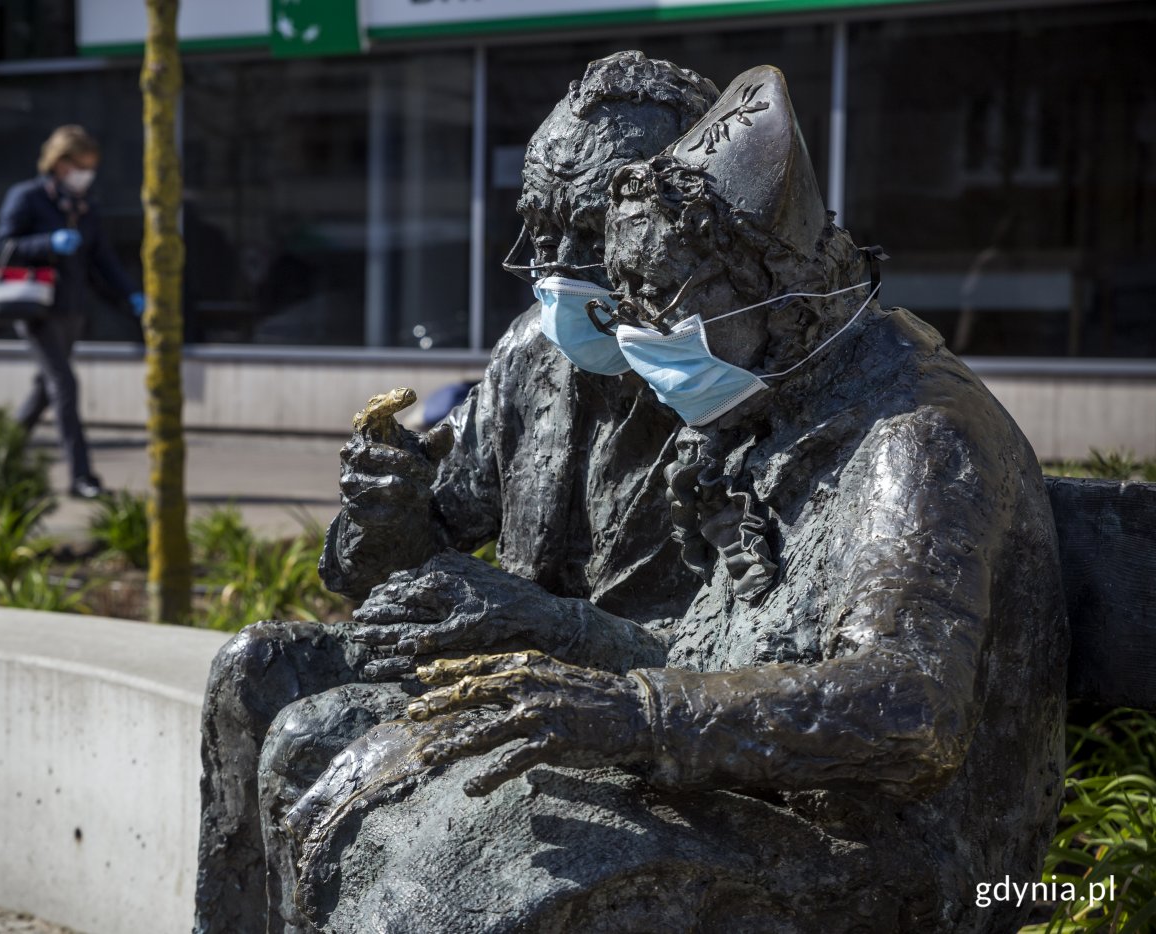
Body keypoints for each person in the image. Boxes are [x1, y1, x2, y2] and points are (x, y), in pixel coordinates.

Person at [278, 66, 1068, 934]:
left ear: (764, 282)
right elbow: (716, 643)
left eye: (658, 296)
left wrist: (629, 709)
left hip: (898, 852)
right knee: (385, 785)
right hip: (759, 784)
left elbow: (912, 707)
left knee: (472, 863)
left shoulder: (911, 434)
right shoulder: (761, 392)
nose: (635, 328)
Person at [193, 51, 721, 934]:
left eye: (582, 233)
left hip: (631, 712)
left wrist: (552, 627)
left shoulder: (728, 377)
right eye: (536, 225)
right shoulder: (532, 354)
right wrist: (388, 511)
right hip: (496, 673)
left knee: (310, 742)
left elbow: (756, 662)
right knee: (255, 669)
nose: (546, 263)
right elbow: (389, 570)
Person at [0, 125, 144, 500]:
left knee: (46, 390)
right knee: (65, 386)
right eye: (82, 166)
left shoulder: (85, 207)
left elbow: (102, 258)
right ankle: (81, 477)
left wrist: (131, 293)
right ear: (60, 163)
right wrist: (49, 242)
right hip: (36, 309)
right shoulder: (27, 197)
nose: (86, 175)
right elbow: (2, 244)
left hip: (72, 310)